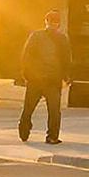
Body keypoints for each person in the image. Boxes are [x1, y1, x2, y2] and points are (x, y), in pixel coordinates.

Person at [17, 9, 74, 145]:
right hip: (53, 80)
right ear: (58, 24)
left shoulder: (35, 36)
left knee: (28, 108)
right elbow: (67, 60)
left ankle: (24, 130)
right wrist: (66, 77)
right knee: (54, 111)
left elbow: (26, 56)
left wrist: (26, 74)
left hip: (36, 80)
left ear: (46, 21)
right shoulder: (62, 39)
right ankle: (52, 136)